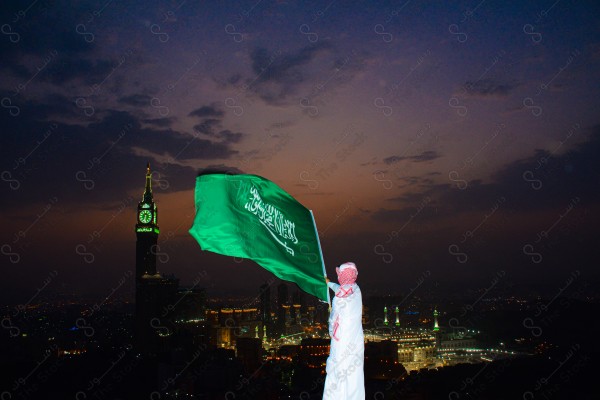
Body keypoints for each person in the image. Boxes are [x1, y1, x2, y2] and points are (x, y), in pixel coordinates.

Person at [323, 262, 365, 400]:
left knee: (339, 372)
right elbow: (340, 288)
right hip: (353, 342)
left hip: (342, 342)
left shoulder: (345, 293)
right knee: (352, 375)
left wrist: (331, 327)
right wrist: (329, 283)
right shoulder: (355, 290)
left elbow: (340, 291)